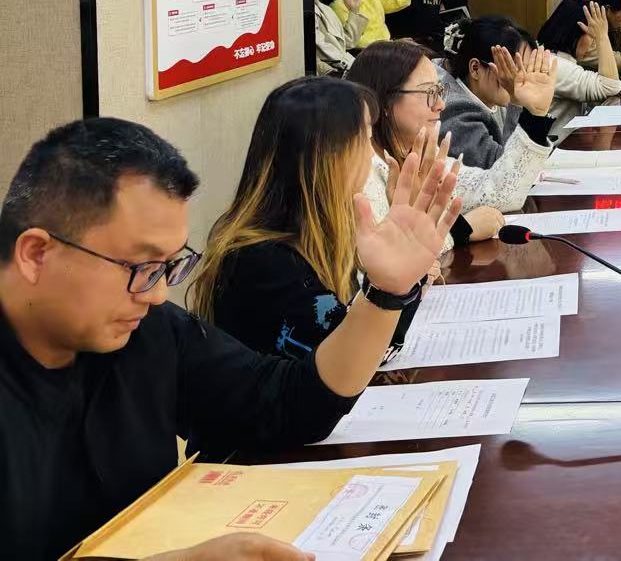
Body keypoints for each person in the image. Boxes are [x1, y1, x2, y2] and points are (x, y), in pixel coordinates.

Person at [0, 116, 456, 561]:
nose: (157, 294)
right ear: (36, 254)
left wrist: (385, 293)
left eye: (168, 266)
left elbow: (287, 405)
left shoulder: (147, 329)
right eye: (139, 266)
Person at [191, 77, 430, 360]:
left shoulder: (320, 232)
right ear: (326, 155)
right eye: (365, 138)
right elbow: (356, 362)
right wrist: (395, 281)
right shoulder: (266, 262)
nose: (371, 155)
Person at [344, 40, 512, 238]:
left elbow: (499, 190)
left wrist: (533, 113)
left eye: (439, 91)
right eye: (429, 92)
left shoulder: (418, 152)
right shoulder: (362, 171)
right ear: (385, 101)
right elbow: (379, 252)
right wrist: (460, 232)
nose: (440, 104)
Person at [436, 17, 562, 171]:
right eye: (513, 68)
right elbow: (504, 173)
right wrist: (518, 103)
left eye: (527, 68)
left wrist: (535, 109)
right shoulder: (454, 109)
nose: (523, 78)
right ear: (475, 68)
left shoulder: (492, 94)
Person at [535, 0, 621, 134]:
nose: (593, 44)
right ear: (575, 32)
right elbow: (610, 87)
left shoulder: (553, 57)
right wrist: (602, 37)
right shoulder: (554, 64)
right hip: (556, 145)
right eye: (592, 36)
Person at [310, 0, 362, 75]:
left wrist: (354, 11)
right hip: (330, 73)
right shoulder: (304, 11)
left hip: (343, 66)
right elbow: (324, 50)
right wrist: (353, 67)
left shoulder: (325, 9)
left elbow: (347, 42)